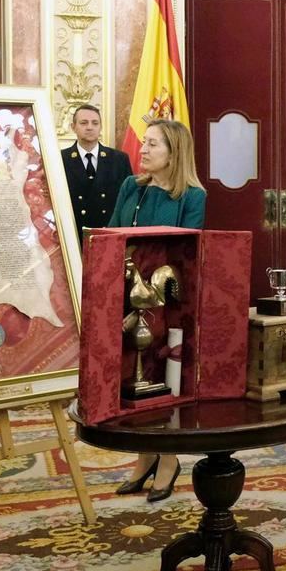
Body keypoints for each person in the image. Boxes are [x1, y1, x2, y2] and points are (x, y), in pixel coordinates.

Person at [107, 119, 205, 501]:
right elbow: (111, 234)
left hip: (166, 301)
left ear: (173, 152)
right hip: (125, 293)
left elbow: (188, 254)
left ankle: (168, 457)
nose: (143, 150)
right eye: (144, 142)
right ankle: (144, 453)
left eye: (152, 144)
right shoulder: (131, 187)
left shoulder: (192, 196)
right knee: (132, 375)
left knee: (162, 375)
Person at [61, 104, 133, 245]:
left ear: (101, 127)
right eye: (84, 123)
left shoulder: (119, 159)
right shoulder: (60, 159)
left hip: (109, 236)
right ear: (73, 127)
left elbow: (128, 201)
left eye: (95, 123)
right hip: (74, 239)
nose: (90, 127)